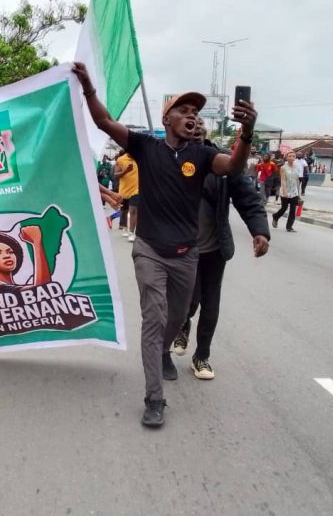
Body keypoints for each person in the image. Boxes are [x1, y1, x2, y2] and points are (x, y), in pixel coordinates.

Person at [72, 62, 255, 428]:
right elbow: (105, 122)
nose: (191, 117)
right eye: (184, 111)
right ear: (166, 118)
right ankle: (154, 398)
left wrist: (246, 132)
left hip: (186, 257)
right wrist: (89, 88)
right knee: (154, 321)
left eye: (196, 113)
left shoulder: (203, 156)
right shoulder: (145, 146)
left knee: (176, 318)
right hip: (150, 251)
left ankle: (165, 353)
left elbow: (233, 166)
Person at [173, 118, 270, 378]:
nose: (196, 130)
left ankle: (202, 356)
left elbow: (247, 198)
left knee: (211, 304)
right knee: (188, 301)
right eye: (190, 125)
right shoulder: (172, 159)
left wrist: (259, 230)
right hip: (183, 249)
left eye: (201, 126)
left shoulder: (224, 163)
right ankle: (182, 324)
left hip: (214, 248)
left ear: (207, 134)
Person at [271, 150, 301, 232]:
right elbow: (283, 180)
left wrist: (299, 193)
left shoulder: (297, 167)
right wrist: (285, 191)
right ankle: (275, 216)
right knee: (284, 208)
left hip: (294, 191)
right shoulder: (283, 168)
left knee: (292, 209)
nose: (291, 157)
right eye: (290, 156)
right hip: (285, 190)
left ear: (295, 157)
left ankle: (289, 226)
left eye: (293, 156)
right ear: (286, 158)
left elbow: (297, 180)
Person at [114, 150, 139, 241]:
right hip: (124, 191)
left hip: (136, 189)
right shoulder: (121, 160)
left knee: (133, 210)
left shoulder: (139, 158)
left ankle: (132, 232)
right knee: (124, 211)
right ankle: (125, 228)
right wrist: (125, 171)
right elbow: (115, 175)